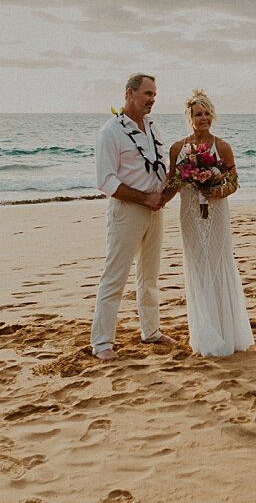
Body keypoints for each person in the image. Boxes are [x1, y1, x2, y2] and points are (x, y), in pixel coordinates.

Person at [91, 73, 179, 360]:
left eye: (154, 94)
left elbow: (156, 168)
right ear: (130, 93)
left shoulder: (152, 128)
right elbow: (106, 181)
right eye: (147, 93)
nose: (152, 99)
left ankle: (151, 332)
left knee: (149, 276)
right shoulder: (111, 132)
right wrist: (144, 198)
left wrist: (167, 192)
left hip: (155, 210)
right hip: (127, 211)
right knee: (114, 277)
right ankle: (102, 342)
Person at [168, 90, 254, 357]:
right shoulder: (177, 148)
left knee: (218, 263)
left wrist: (215, 191)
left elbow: (234, 182)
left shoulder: (222, 146)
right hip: (189, 214)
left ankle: (226, 332)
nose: (203, 118)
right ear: (190, 117)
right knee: (196, 265)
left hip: (216, 212)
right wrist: (156, 201)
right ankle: (204, 333)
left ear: (212, 115)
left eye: (206, 113)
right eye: (198, 114)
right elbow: (172, 182)